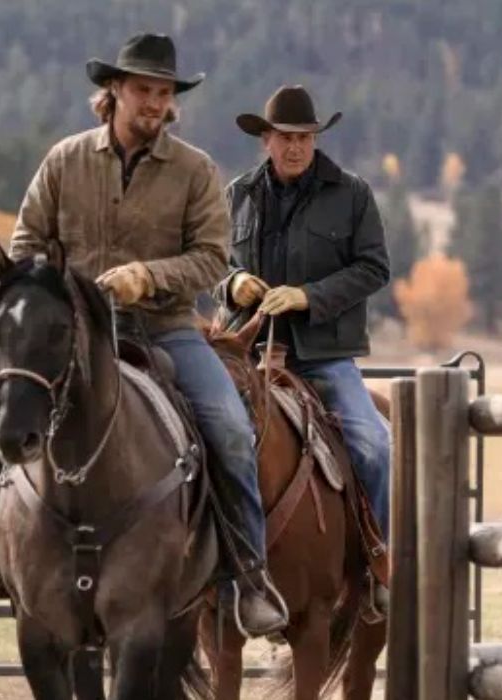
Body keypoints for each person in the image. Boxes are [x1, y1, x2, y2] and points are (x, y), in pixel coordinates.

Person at [0, 33, 288, 638]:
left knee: (230, 427)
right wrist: (53, 294)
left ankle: (247, 575)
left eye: (163, 93)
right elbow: (24, 246)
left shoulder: (195, 171)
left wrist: (146, 278)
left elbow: (211, 258)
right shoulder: (64, 161)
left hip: (166, 326)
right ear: (114, 92)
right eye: (142, 91)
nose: (153, 103)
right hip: (71, 335)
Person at [219, 84, 393, 616]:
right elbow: (212, 263)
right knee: (189, 437)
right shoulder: (238, 194)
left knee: (372, 446)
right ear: (265, 139)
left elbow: (374, 268)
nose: (296, 147)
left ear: (315, 139)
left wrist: (308, 296)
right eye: (286, 137)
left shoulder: (353, 193)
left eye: (305, 137)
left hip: (322, 354)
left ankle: (377, 565)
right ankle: (196, 570)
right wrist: (234, 284)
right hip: (244, 353)